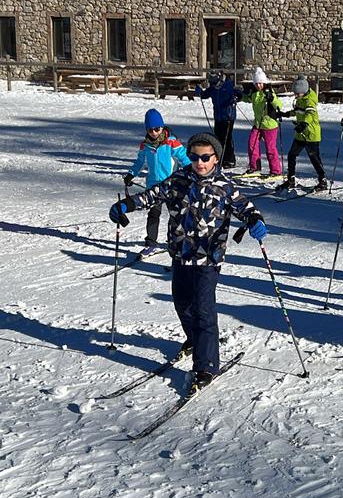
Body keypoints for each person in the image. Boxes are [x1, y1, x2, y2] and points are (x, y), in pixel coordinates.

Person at [108, 132, 266, 394]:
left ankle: (206, 366)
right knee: (182, 302)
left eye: (206, 157)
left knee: (203, 309)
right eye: (195, 157)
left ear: (215, 158)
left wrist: (256, 221)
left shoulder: (225, 186)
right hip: (181, 254)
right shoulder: (179, 180)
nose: (200, 163)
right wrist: (126, 204)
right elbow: (152, 195)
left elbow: (247, 208)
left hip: (209, 258)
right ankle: (194, 340)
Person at [124, 108, 191, 255]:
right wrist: (131, 174)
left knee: (175, 215)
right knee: (154, 214)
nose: (154, 132)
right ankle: (151, 243)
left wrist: (192, 173)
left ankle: (175, 242)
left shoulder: (172, 143)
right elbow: (139, 162)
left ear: (162, 127)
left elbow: (185, 159)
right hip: (154, 187)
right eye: (150, 129)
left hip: (171, 186)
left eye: (157, 128)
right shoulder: (145, 145)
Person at [280, 75, 328, 191]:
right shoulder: (300, 100)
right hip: (300, 134)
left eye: (297, 93)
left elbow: (310, 115)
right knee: (292, 155)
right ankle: (290, 179)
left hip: (311, 134)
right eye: (295, 93)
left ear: (304, 91)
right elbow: (297, 111)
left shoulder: (309, 101)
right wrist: (284, 114)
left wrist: (304, 124)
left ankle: (323, 180)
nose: (296, 95)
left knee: (314, 158)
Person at [240, 67, 283, 181]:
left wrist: (272, 99)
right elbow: (248, 99)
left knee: (270, 148)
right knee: (252, 143)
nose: (259, 85)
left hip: (269, 125)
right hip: (258, 124)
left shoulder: (269, 92)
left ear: (264, 83)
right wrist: (239, 96)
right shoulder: (255, 93)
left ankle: (275, 171)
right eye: (257, 83)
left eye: (261, 83)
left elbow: (279, 105)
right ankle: (254, 167)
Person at [196, 72, 243, 169]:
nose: (214, 85)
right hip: (218, 116)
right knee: (218, 138)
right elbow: (205, 94)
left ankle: (229, 159)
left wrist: (237, 96)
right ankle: (220, 157)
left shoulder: (228, 85)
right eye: (212, 83)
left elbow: (238, 95)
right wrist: (199, 91)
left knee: (227, 138)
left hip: (228, 116)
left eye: (214, 83)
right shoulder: (213, 88)